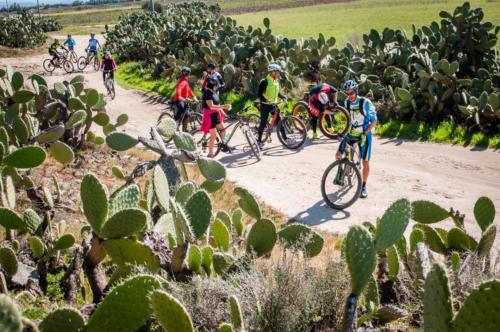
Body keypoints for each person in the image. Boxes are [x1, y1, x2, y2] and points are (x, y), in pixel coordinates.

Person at [335, 80, 378, 198]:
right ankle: (341, 172)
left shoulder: (365, 102)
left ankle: (363, 186)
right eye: (347, 93)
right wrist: (343, 131)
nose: (349, 96)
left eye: (351, 93)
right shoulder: (347, 102)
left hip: (365, 133)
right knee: (338, 154)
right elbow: (350, 120)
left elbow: (374, 121)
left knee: (365, 161)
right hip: (353, 132)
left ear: (356, 91)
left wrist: (366, 132)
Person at [257, 64, 288, 146]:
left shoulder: (276, 81)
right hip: (265, 106)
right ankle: (259, 140)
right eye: (277, 72)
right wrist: (266, 100)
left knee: (280, 121)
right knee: (263, 123)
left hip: (273, 105)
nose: (279, 74)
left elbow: (277, 92)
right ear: (272, 72)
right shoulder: (264, 81)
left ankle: (285, 138)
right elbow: (259, 94)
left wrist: (282, 96)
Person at [201, 77, 232, 158]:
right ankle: (210, 154)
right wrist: (224, 106)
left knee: (223, 130)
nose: (217, 86)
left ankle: (224, 145)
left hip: (216, 114)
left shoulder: (215, 92)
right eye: (216, 85)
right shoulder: (207, 93)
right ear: (212, 86)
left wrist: (224, 113)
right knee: (214, 135)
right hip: (209, 116)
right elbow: (211, 106)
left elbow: (217, 105)